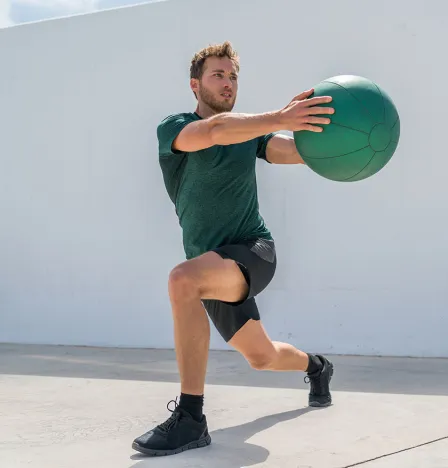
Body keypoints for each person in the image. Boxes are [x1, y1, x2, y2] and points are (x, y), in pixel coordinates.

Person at [132, 41, 336, 456]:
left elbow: (297, 152)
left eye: (233, 76)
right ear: (195, 85)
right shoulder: (174, 129)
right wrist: (278, 117)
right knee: (261, 357)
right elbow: (214, 132)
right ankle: (318, 367)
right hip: (212, 267)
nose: (228, 84)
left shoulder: (252, 136)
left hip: (253, 251)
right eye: (218, 75)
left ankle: (190, 418)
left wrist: (336, 142)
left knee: (181, 280)